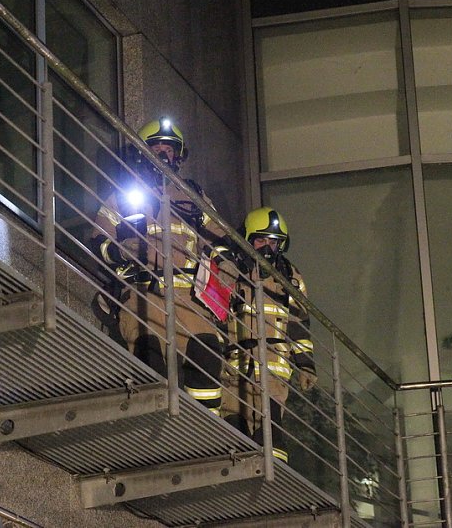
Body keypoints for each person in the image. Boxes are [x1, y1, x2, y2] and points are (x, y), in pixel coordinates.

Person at [91, 116, 234, 415]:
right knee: (151, 361)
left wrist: (226, 260)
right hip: (145, 294)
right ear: (142, 151)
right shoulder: (122, 196)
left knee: (206, 357)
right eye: (156, 147)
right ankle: (155, 427)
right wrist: (121, 255)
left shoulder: (194, 199)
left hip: (192, 303)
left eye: (170, 149)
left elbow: (222, 241)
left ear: (178, 156)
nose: (164, 154)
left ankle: (206, 430)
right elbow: (98, 243)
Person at [221, 207, 317, 463]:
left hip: (274, 370)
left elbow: (299, 325)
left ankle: (275, 485)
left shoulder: (291, 278)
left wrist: (306, 365)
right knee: (234, 426)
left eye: (273, 242)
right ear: (248, 239)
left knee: (271, 429)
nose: (267, 247)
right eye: (260, 240)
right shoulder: (232, 269)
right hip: (234, 367)